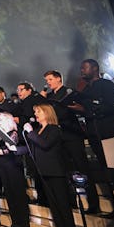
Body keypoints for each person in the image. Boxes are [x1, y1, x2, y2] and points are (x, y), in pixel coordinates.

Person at [41, 70, 101, 214]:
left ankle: (93, 203)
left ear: (58, 79)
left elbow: (71, 111)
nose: (48, 82)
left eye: (50, 79)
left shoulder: (68, 93)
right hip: (59, 138)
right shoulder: (49, 96)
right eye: (46, 80)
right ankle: (71, 200)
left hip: (72, 135)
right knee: (65, 170)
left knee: (83, 168)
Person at [23, 104, 79, 227]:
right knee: (54, 205)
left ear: (47, 113)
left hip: (56, 172)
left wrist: (31, 133)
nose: (35, 114)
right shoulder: (37, 130)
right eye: (35, 111)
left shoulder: (54, 129)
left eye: (38, 111)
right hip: (43, 172)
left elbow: (45, 144)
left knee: (63, 205)